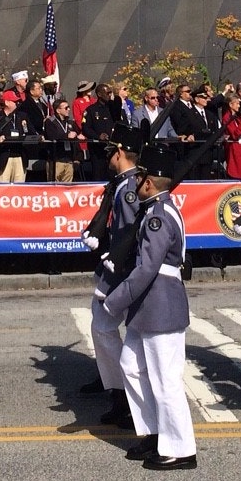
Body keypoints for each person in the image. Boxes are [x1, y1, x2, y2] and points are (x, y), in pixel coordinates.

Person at [104, 169, 196, 470]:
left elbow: (147, 268)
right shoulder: (154, 210)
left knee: (165, 379)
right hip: (148, 304)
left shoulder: (158, 217)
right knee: (131, 366)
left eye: (138, 178)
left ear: (148, 183)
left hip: (160, 304)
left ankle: (180, 448)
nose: (133, 184)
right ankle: (153, 432)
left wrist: (114, 301)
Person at [81, 136, 143, 425]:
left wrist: (115, 259)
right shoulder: (122, 184)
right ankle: (115, 386)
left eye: (110, 154)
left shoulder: (129, 188)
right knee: (101, 325)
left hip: (124, 269)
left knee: (107, 326)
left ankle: (124, 394)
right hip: (114, 266)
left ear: (119, 151)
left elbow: (131, 233)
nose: (107, 160)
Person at [42, 99, 81, 182]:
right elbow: (52, 136)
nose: (69, 109)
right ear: (58, 110)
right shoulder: (50, 121)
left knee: (67, 186)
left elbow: (76, 138)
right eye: (66, 108)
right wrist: (66, 136)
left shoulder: (70, 122)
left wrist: (77, 156)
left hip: (69, 159)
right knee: (54, 186)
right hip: (56, 160)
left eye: (69, 107)